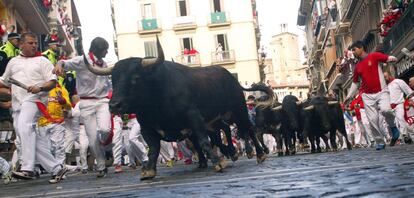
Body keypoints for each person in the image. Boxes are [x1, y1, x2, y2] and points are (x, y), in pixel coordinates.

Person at [0, 32, 67, 183]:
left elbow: (52, 82)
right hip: (18, 105)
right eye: (30, 43)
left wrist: (40, 88)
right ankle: (57, 168)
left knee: (25, 129)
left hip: (35, 100)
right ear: (21, 44)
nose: (34, 45)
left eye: (35, 43)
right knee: (27, 137)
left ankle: (28, 169)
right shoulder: (13, 62)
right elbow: (4, 81)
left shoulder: (43, 61)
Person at [54, 37, 112, 178]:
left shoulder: (104, 64)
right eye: (105, 50)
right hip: (86, 103)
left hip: (102, 101)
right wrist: (59, 65)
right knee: (92, 140)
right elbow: (64, 63)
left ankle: (106, 147)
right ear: (98, 50)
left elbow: (108, 85)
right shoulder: (81, 60)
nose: (107, 52)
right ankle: (101, 166)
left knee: (105, 129)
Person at [344, 40, 399, 150]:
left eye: (354, 50)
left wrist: (393, 59)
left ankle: (393, 127)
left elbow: (388, 58)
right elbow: (355, 83)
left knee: (386, 110)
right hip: (367, 95)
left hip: (382, 91)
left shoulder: (374, 56)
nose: (353, 52)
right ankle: (380, 142)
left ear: (361, 48)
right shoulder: (357, 67)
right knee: (372, 120)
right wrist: (349, 96)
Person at [384, 71, 414, 144]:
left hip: (399, 104)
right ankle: (395, 137)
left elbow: (408, 91)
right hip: (389, 107)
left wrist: (412, 99)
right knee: (390, 124)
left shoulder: (398, 81)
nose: (384, 78)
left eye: (385, 76)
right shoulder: (384, 86)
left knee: (400, 118)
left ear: (389, 75)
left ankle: (405, 136)